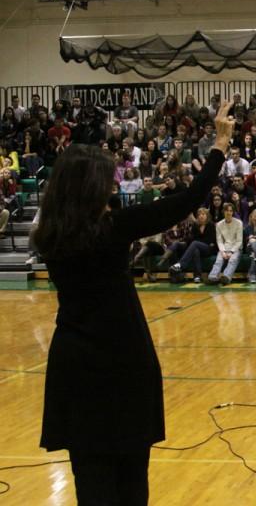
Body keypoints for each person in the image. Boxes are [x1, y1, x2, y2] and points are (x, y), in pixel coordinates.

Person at [33, 99, 233, 505]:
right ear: (92, 187)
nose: (112, 186)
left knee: (90, 481)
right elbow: (188, 199)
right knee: (130, 482)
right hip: (122, 362)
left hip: (73, 362)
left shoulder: (49, 234)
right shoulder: (112, 229)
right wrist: (220, 144)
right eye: (106, 181)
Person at [207, 202, 243, 285]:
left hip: (236, 248)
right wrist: (223, 252)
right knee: (219, 260)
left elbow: (239, 241)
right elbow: (219, 240)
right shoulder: (219, 224)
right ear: (223, 212)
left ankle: (226, 277)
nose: (229, 213)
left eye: (230, 211)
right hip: (224, 247)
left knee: (233, 259)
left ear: (233, 212)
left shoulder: (239, 223)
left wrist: (231, 252)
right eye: (227, 210)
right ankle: (212, 277)